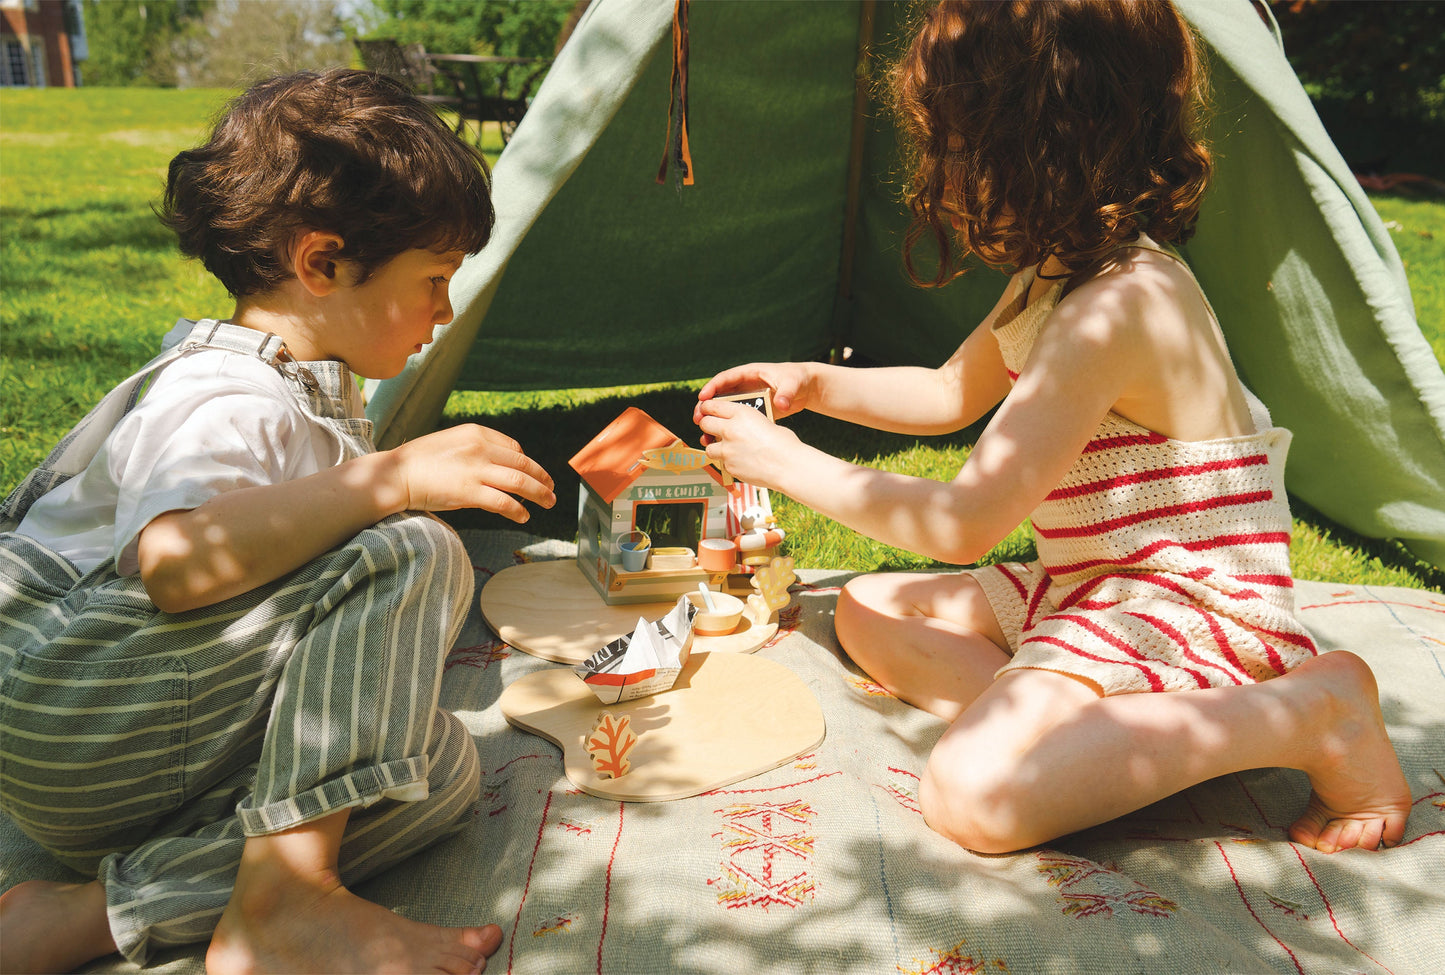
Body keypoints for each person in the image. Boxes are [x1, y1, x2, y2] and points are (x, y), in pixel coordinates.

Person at [695, 0, 1411, 857]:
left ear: (1035, 142)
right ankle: (1094, 735)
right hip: (1093, 585)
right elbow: (947, 391)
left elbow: (962, 524)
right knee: (866, 608)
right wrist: (814, 384)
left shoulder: (1116, 308)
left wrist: (785, 462)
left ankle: (1311, 713)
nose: (938, 169)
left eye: (952, 143)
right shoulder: (1058, 271)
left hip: (1183, 607)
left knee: (974, 798)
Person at [0, 68, 555, 974]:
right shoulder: (225, 393)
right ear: (320, 263)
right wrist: (395, 477)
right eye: (434, 279)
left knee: (434, 769)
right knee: (409, 546)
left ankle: (94, 914)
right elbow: (177, 562)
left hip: (138, 750)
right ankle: (288, 901)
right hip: (74, 705)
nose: (444, 311)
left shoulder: (302, 394)